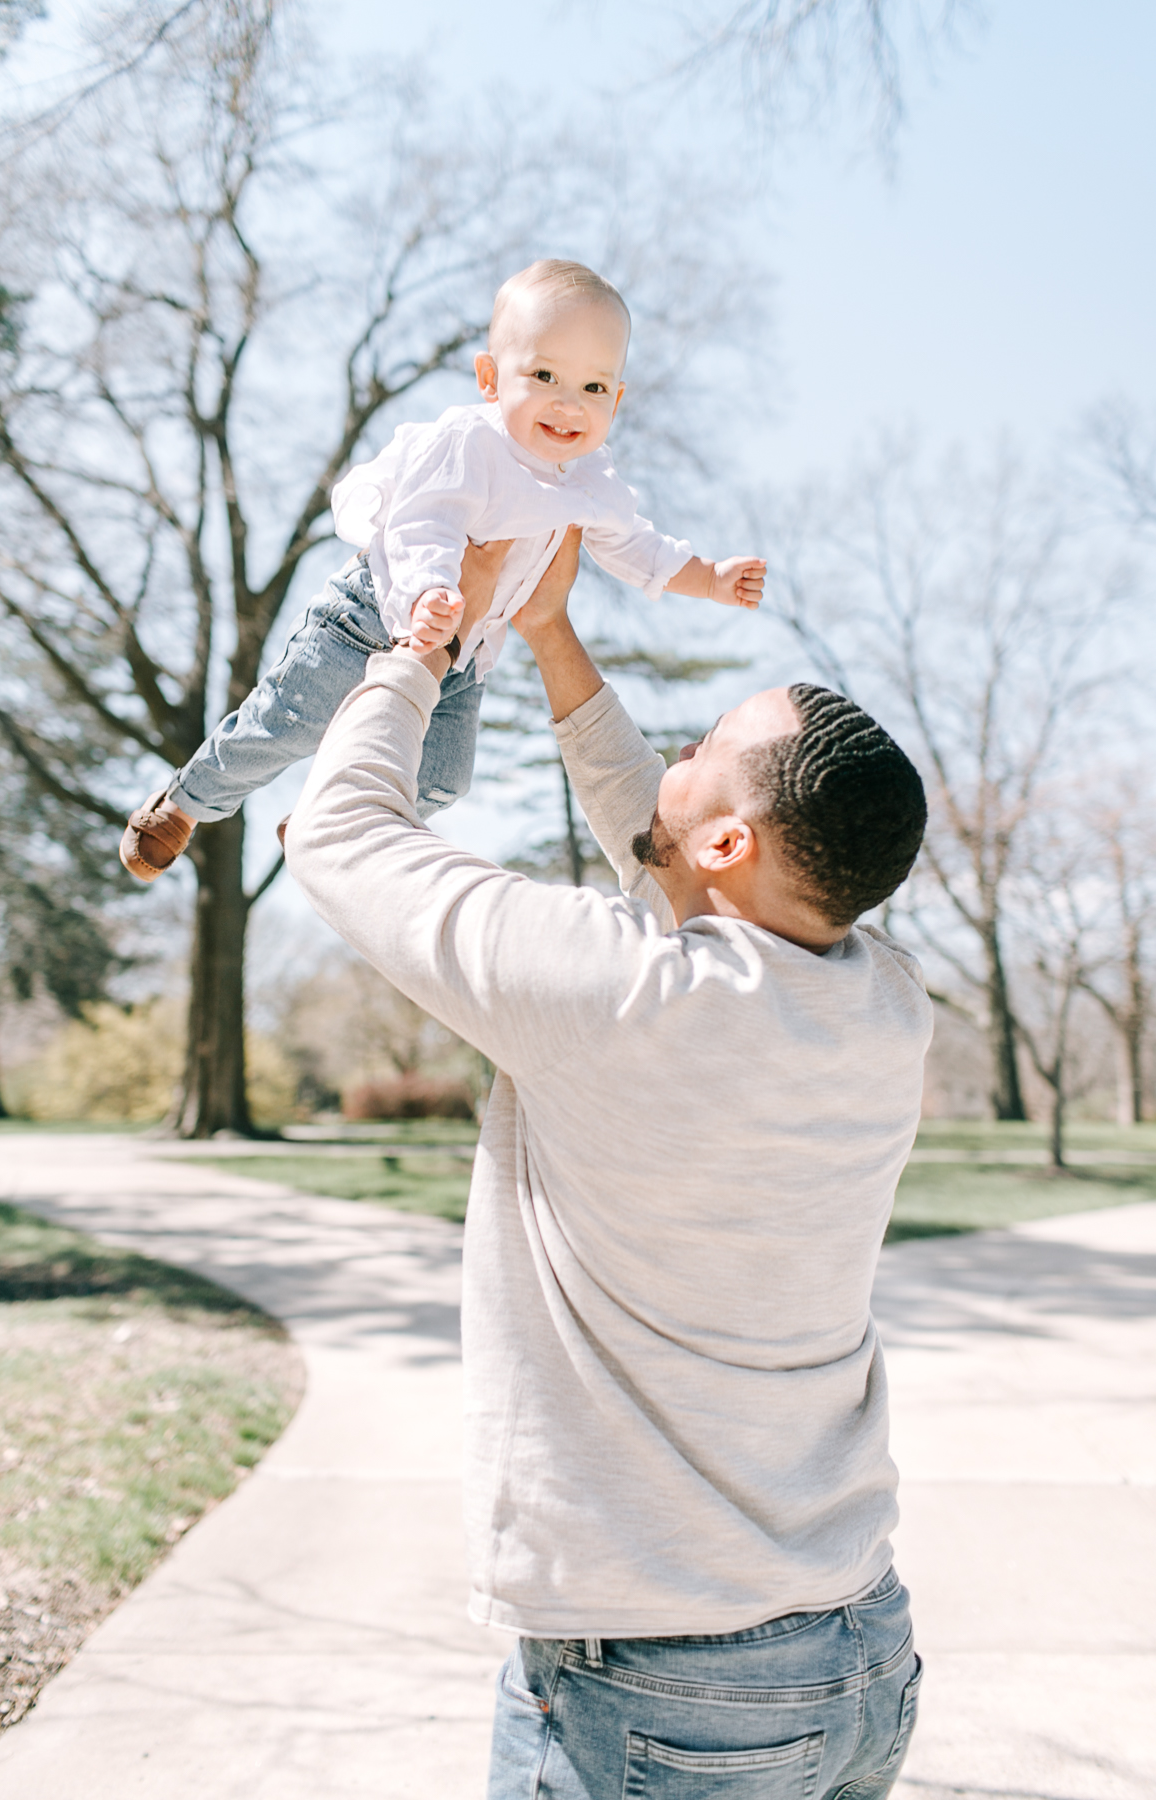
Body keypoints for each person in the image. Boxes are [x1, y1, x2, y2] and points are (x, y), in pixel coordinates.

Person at [281, 530, 934, 1797]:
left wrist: (422, 647)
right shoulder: (885, 1005)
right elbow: (676, 845)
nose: (672, 760)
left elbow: (337, 831)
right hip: (857, 1650)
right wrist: (550, 634)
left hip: (664, 1689)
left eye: (698, 751)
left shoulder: (619, 993)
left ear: (736, 844)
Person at [122, 258, 764, 881]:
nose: (569, 405)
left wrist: (707, 578)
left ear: (616, 399)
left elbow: (635, 546)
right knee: (285, 723)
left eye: (593, 387)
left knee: (444, 776)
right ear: (490, 378)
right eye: (543, 375)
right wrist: (432, 587)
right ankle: (188, 800)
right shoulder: (470, 442)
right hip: (372, 617)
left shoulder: (591, 479)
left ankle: (322, 819)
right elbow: (421, 522)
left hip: (466, 656)